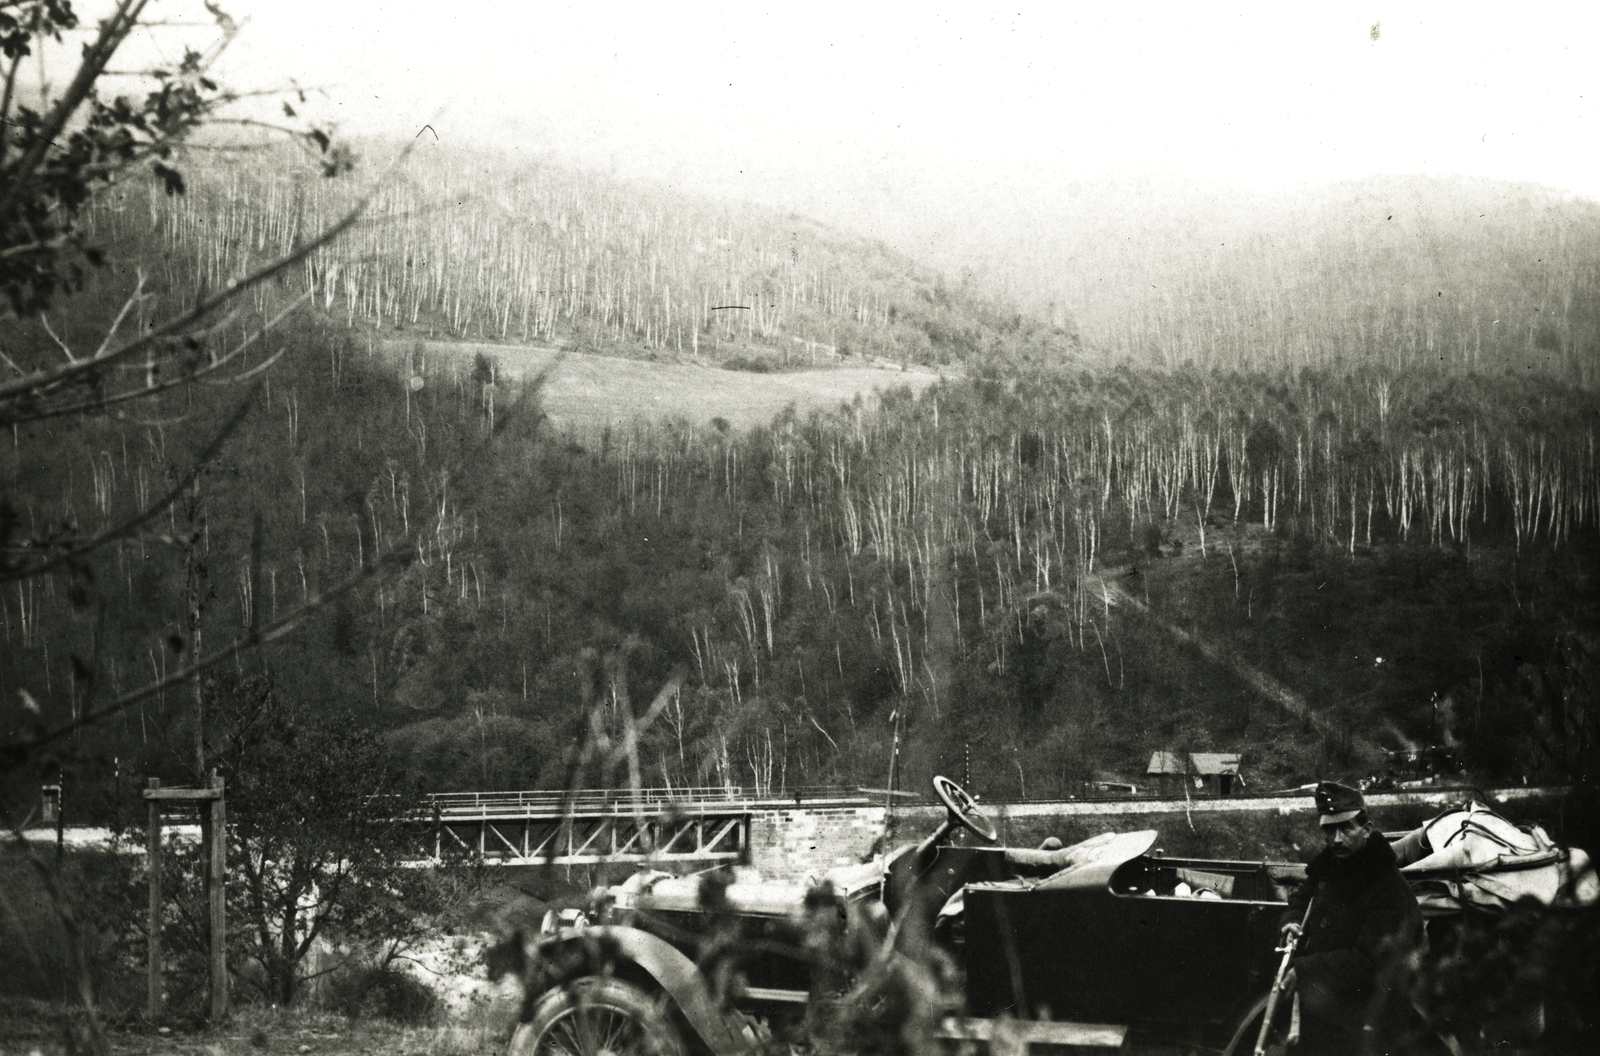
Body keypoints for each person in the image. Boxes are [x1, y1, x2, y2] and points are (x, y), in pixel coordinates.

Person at [1279, 781, 1423, 1056]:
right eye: (1329, 830)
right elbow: (1302, 896)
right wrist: (1291, 920)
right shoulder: (1331, 864)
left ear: (1367, 829)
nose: (1336, 839)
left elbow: (1370, 962)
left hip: (1366, 1023)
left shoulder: (1388, 886)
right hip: (1327, 1012)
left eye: (1346, 829)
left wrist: (1305, 970)